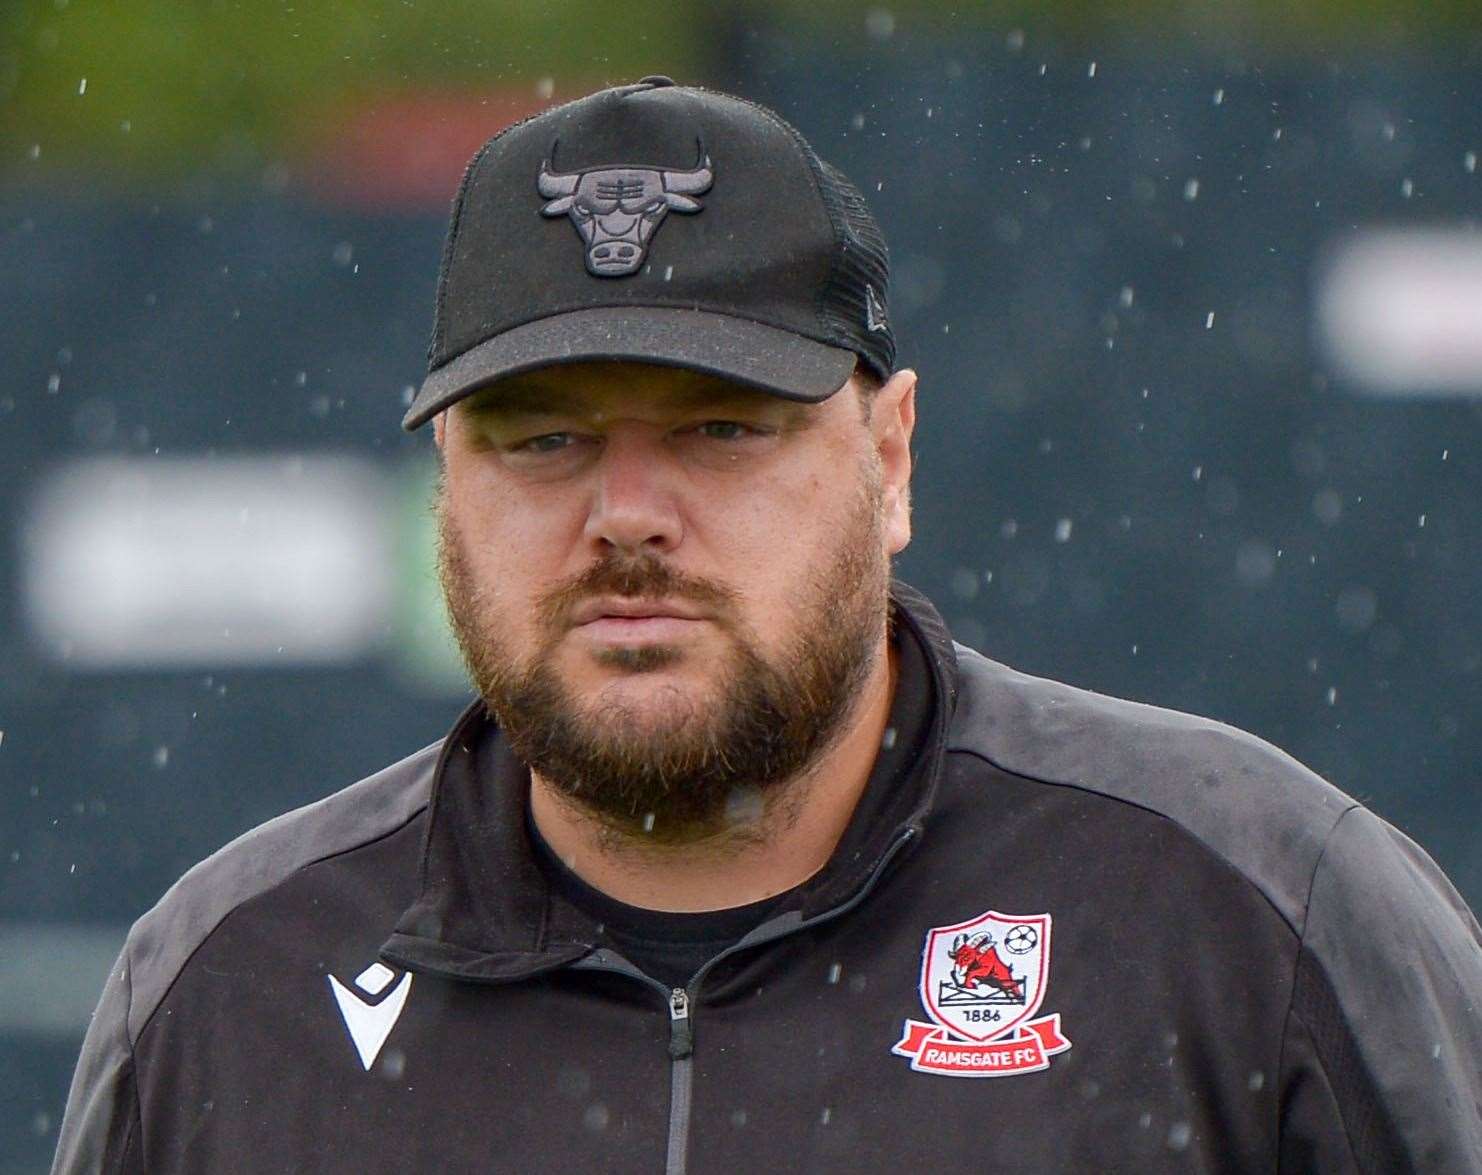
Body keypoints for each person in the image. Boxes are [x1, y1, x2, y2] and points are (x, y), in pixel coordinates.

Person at [53, 76, 1482, 1174]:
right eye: (541, 440)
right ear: (448, 489)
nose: (624, 516)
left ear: (892, 459)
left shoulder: (1249, 920)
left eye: (723, 430)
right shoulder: (228, 998)